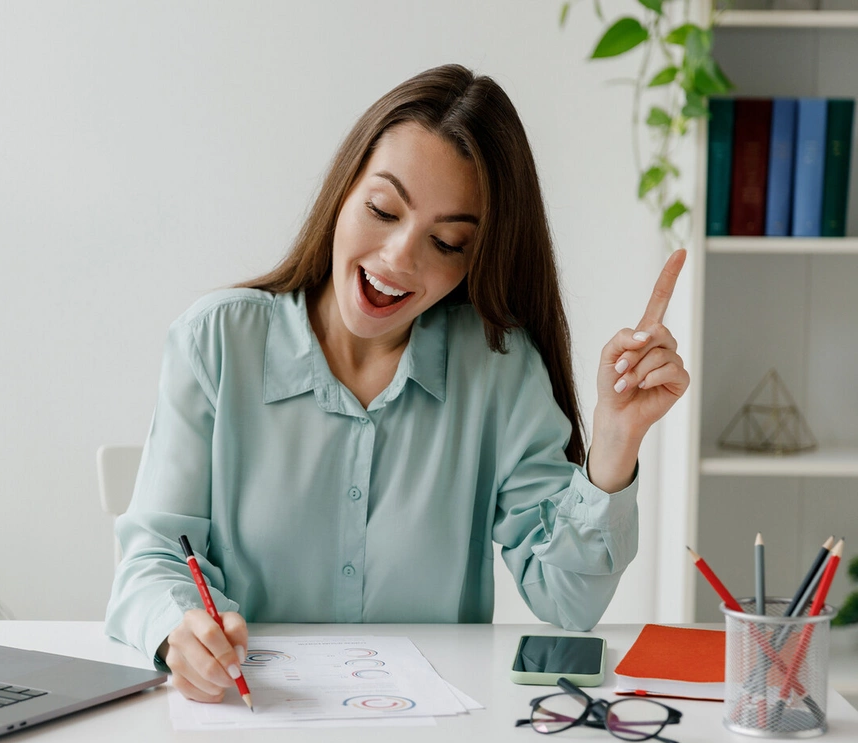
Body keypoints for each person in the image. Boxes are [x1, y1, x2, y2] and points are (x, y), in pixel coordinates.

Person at [104, 64, 688, 704]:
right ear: (343, 191)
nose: (399, 258)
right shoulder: (216, 343)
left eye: (446, 241)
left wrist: (614, 439)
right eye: (383, 209)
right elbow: (153, 558)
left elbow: (569, 600)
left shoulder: (495, 366)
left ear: (475, 260)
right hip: (256, 726)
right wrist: (179, 630)